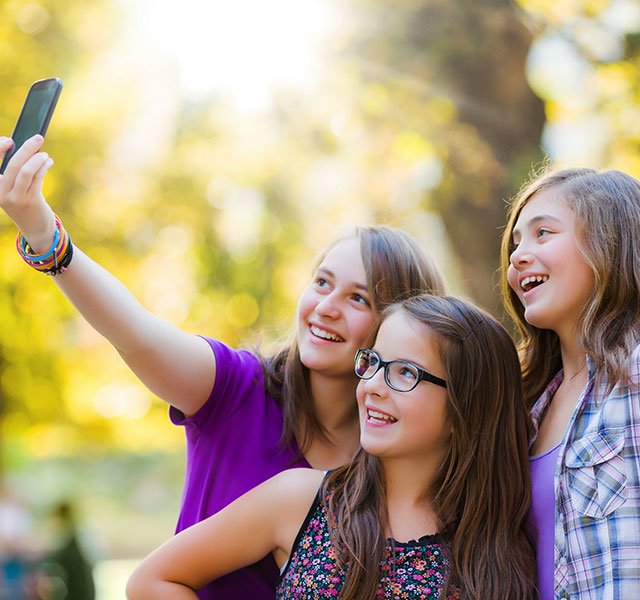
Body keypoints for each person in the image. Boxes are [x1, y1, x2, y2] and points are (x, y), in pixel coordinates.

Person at [0, 134, 446, 599]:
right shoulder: (236, 389)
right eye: (321, 282)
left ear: (399, 326)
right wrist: (44, 235)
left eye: (358, 297)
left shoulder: (397, 449)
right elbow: (133, 331)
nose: (326, 307)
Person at [125, 294, 536, 599]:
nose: (372, 386)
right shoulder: (304, 500)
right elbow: (152, 580)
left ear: (467, 405)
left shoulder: (500, 556)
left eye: (405, 373)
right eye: (373, 363)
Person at [500, 167, 640, 599]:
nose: (519, 256)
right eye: (516, 243)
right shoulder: (525, 407)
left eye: (543, 233)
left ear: (609, 244)